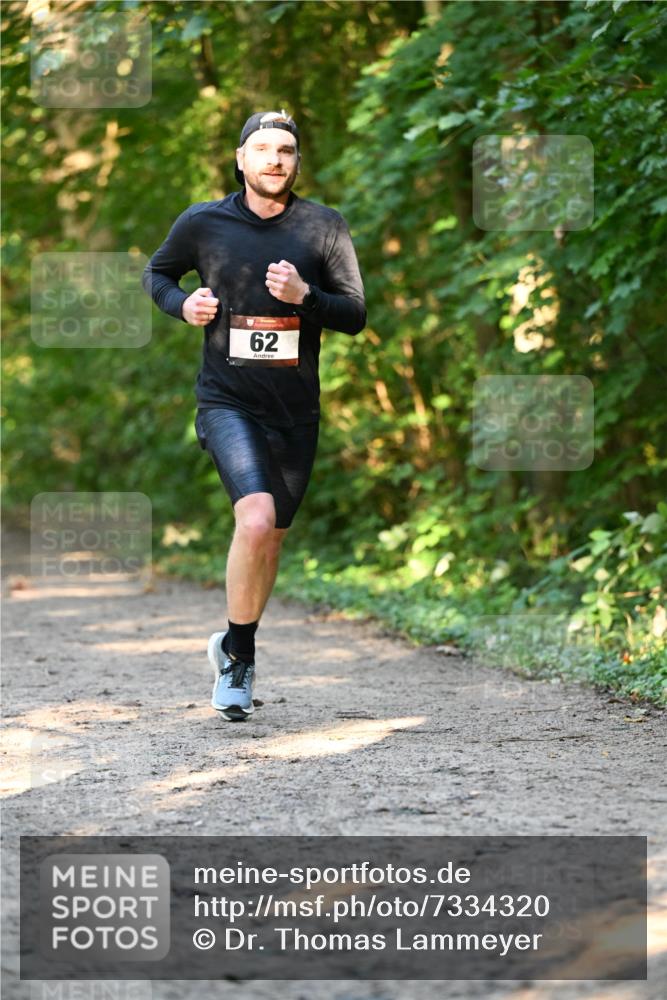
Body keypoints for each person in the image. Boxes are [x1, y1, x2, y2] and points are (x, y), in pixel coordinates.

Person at [142, 110, 366, 721]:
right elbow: (156, 274)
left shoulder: (323, 227)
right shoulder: (204, 221)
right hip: (226, 400)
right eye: (262, 148)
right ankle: (240, 659)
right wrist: (182, 303)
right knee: (256, 518)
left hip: (296, 412)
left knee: (273, 540)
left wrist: (306, 298)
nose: (275, 159)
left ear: (297, 162)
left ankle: (232, 640)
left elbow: (353, 314)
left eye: (287, 150)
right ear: (241, 159)